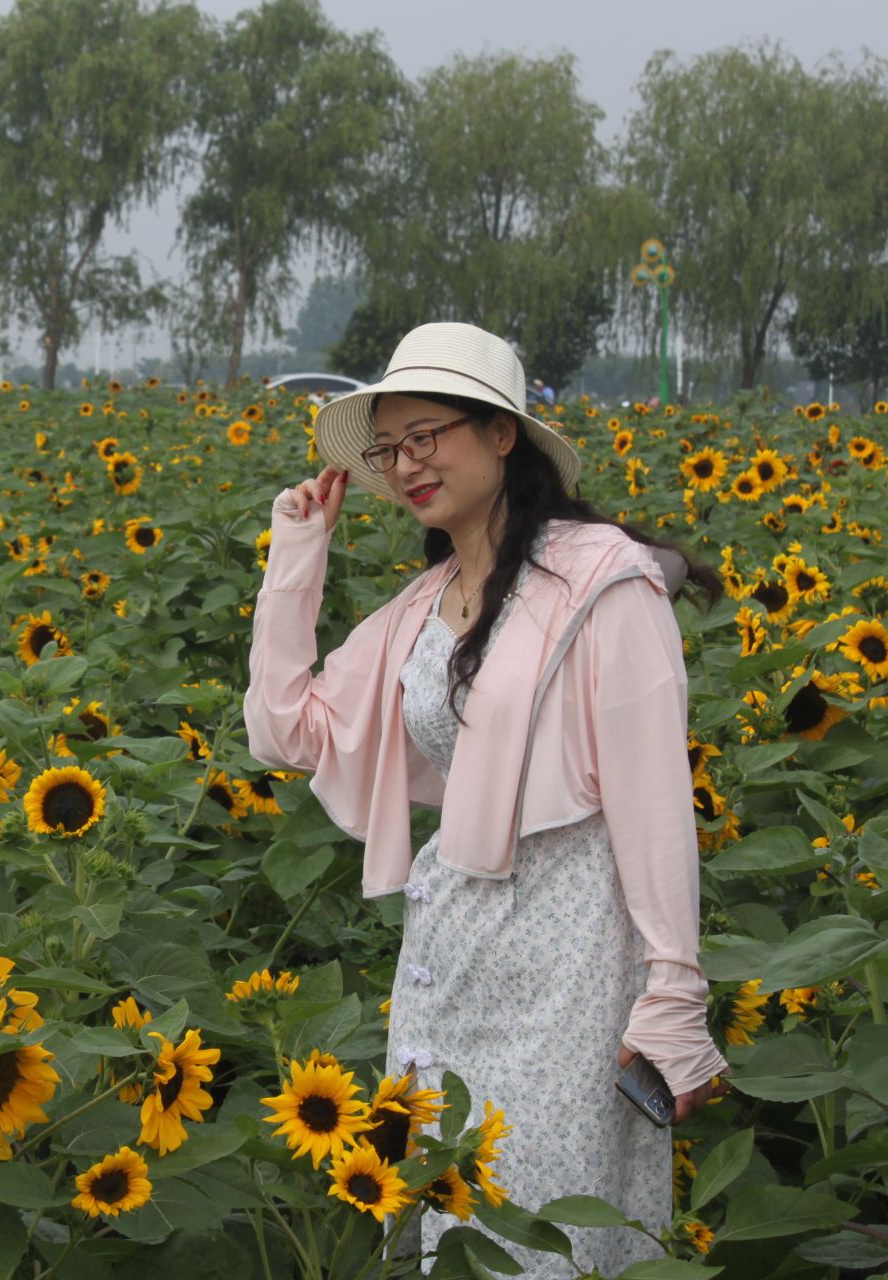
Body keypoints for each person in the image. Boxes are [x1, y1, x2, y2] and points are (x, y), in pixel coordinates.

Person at [244, 322, 728, 1275]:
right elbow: (283, 729)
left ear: (503, 433)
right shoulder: (420, 608)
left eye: (429, 435)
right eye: (390, 448)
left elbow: (654, 800)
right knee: (451, 1232)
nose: (407, 464)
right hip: (447, 963)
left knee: (547, 1232)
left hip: (572, 969)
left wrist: (674, 988)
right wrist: (298, 549)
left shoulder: (604, 583)